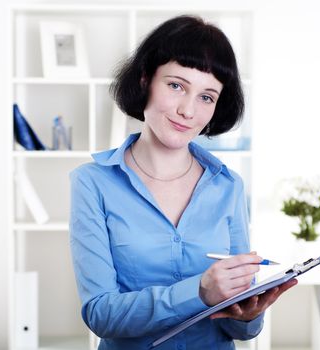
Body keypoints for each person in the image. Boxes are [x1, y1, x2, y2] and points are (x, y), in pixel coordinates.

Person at [69, 15, 297, 349]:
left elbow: (240, 330)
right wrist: (200, 291)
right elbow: (100, 314)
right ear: (146, 80)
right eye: (176, 86)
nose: (188, 111)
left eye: (206, 97)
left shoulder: (228, 185)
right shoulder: (92, 183)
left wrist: (248, 314)